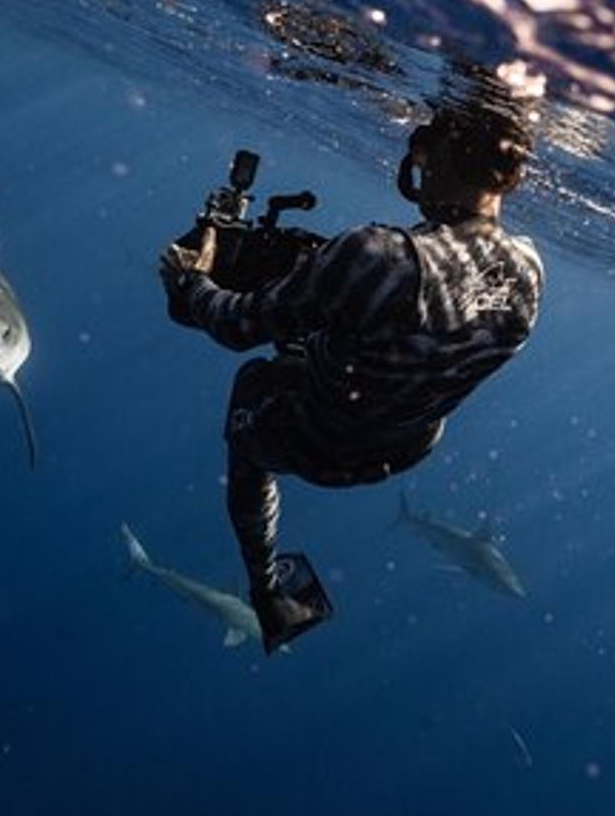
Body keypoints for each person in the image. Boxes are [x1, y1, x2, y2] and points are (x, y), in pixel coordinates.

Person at [158, 83, 545, 652]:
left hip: (322, 443)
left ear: (434, 152)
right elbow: (435, 314)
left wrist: (191, 281)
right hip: (404, 447)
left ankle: (267, 592)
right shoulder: (530, 274)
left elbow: (234, 327)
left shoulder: (376, 256)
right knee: (353, 353)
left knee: (253, 389)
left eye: (421, 143)